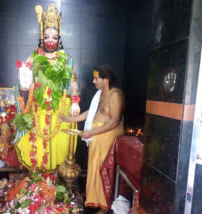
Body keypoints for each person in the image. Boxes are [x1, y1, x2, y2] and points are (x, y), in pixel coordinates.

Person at [15, 3, 80, 171]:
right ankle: (36, 180)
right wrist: (24, 81)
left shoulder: (67, 60)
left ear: (59, 39)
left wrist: (75, 101)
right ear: (42, 37)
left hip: (59, 111)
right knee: (35, 147)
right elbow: (24, 83)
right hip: (38, 109)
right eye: (47, 36)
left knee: (60, 147)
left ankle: (56, 180)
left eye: (54, 37)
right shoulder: (34, 58)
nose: (50, 40)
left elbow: (73, 82)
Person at [60, 64, 125, 214]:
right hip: (97, 137)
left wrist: (92, 132)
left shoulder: (116, 95)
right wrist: (69, 119)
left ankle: (105, 206)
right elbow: (91, 113)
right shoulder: (100, 94)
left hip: (107, 138)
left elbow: (114, 121)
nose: (93, 81)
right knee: (96, 170)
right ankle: (97, 201)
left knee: (105, 171)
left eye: (96, 78)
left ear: (106, 79)